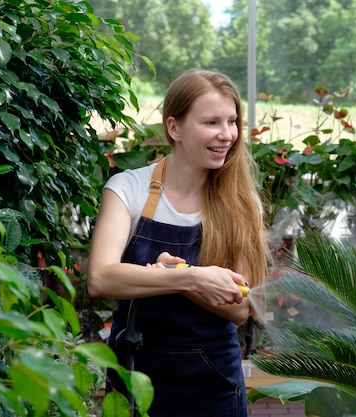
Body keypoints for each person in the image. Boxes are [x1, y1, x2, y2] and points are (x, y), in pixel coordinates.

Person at [87, 69, 269, 417]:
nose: (227, 134)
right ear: (174, 128)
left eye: (232, 121)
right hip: (134, 373)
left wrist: (179, 279)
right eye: (212, 122)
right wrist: (191, 278)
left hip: (214, 381)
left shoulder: (243, 203)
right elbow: (101, 277)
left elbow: (240, 310)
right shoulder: (128, 189)